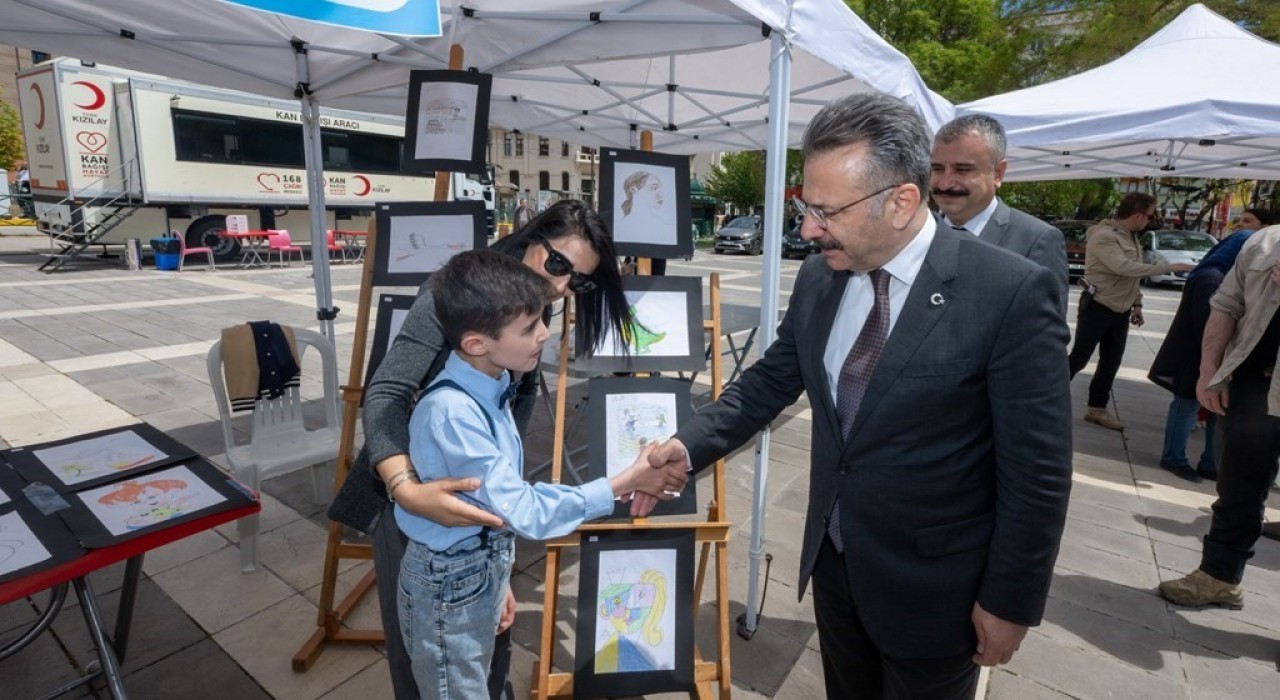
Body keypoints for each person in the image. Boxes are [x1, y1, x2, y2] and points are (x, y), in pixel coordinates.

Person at [637, 93, 1073, 698]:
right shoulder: (821, 276)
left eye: (825, 211)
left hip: (937, 592)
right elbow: (770, 381)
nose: (808, 229)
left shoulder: (1009, 291)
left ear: (900, 202)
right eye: (804, 207)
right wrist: (687, 445)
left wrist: (1010, 602)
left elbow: (1039, 473)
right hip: (836, 567)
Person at [327, 200, 636, 700]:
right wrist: (407, 489)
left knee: (488, 650)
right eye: (558, 264)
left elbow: (515, 411)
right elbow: (385, 393)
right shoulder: (461, 296)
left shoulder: (529, 310)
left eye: (575, 281)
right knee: (426, 664)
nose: (559, 287)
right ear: (533, 237)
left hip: (481, 522)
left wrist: (498, 562)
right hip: (409, 496)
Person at [395, 250, 685, 699]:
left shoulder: (489, 386)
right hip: (449, 588)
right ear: (477, 343)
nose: (544, 334)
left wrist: (496, 582)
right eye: (528, 328)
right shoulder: (453, 413)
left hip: (471, 575)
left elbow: (495, 504)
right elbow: (524, 508)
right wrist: (621, 483)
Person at [1158, 224, 1280, 609]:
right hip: (1253, 386)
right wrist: (1211, 370)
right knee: (1237, 490)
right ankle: (1219, 578)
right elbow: (1226, 304)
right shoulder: (1265, 242)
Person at [1067, 193, 1195, 430]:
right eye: (1149, 215)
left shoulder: (1130, 236)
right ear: (1137, 215)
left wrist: (1137, 303)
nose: (1150, 220)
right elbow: (1123, 267)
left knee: (1111, 362)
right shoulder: (1105, 236)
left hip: (1121, 309)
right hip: (1098, 305)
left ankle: (1097, 409)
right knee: (1079, 358)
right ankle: (1045, 397)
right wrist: (1168, 266)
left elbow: (1131, 279)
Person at [1147, 226, 1260, 482]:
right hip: (1194, 356)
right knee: (1187, 406)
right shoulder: (1211, 278)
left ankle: (1211, 463)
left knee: (1216, 411)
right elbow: (1207, 322)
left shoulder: (1223, 276)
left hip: (1211, 357)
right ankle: (1174, 458)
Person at [930, 114, 1068, 314]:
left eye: (962, 170)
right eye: (937, 169)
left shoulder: (1036, 241)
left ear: (998, 173)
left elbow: (1043, 338)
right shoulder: (916, 232)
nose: (945, 183)